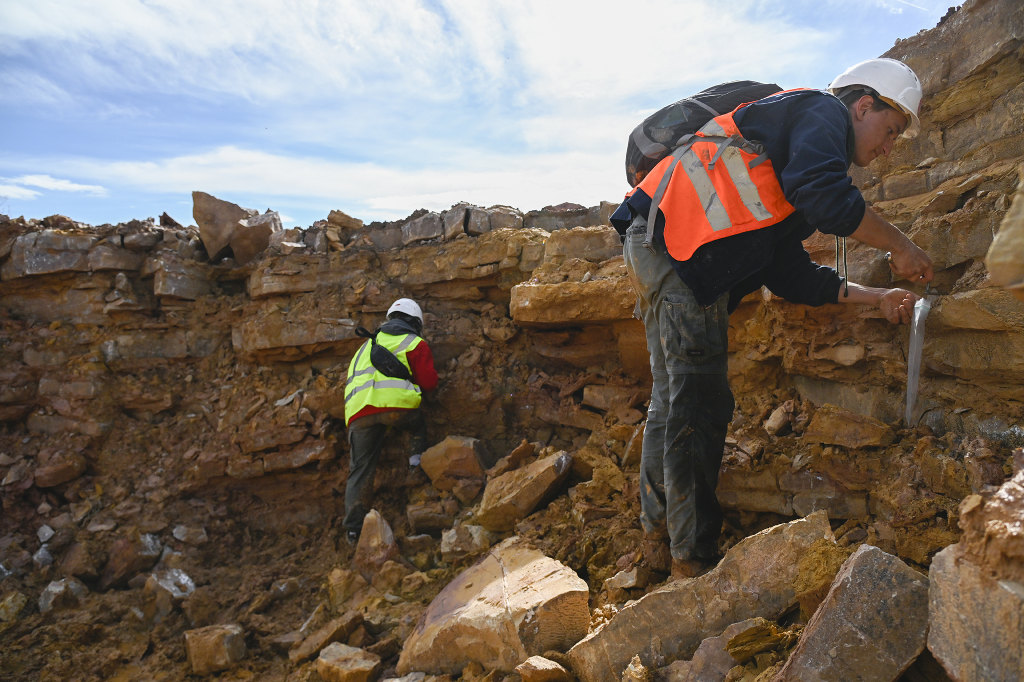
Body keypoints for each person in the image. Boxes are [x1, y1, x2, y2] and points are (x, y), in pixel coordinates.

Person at [610, 58, 935, 579]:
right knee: (699, 401)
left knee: (674, 400)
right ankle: (689, 560)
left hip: (661, 243)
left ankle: (659, 538)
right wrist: (901, 245)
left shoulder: (787, 153)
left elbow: (790, 274)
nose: (888, 147)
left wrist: (876, 296)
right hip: (679, 250)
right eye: (890, 131)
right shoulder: (820, 112)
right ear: (862, 104)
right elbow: (827, 196)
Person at [343, 297, 439, 543]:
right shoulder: (414, 342)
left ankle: (354, 530)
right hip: (397, 407)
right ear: (416, 322)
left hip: (358, 413)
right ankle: (415, 465)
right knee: (416, 424)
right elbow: (429, 383)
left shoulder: (363, 348)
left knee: (360, 469)